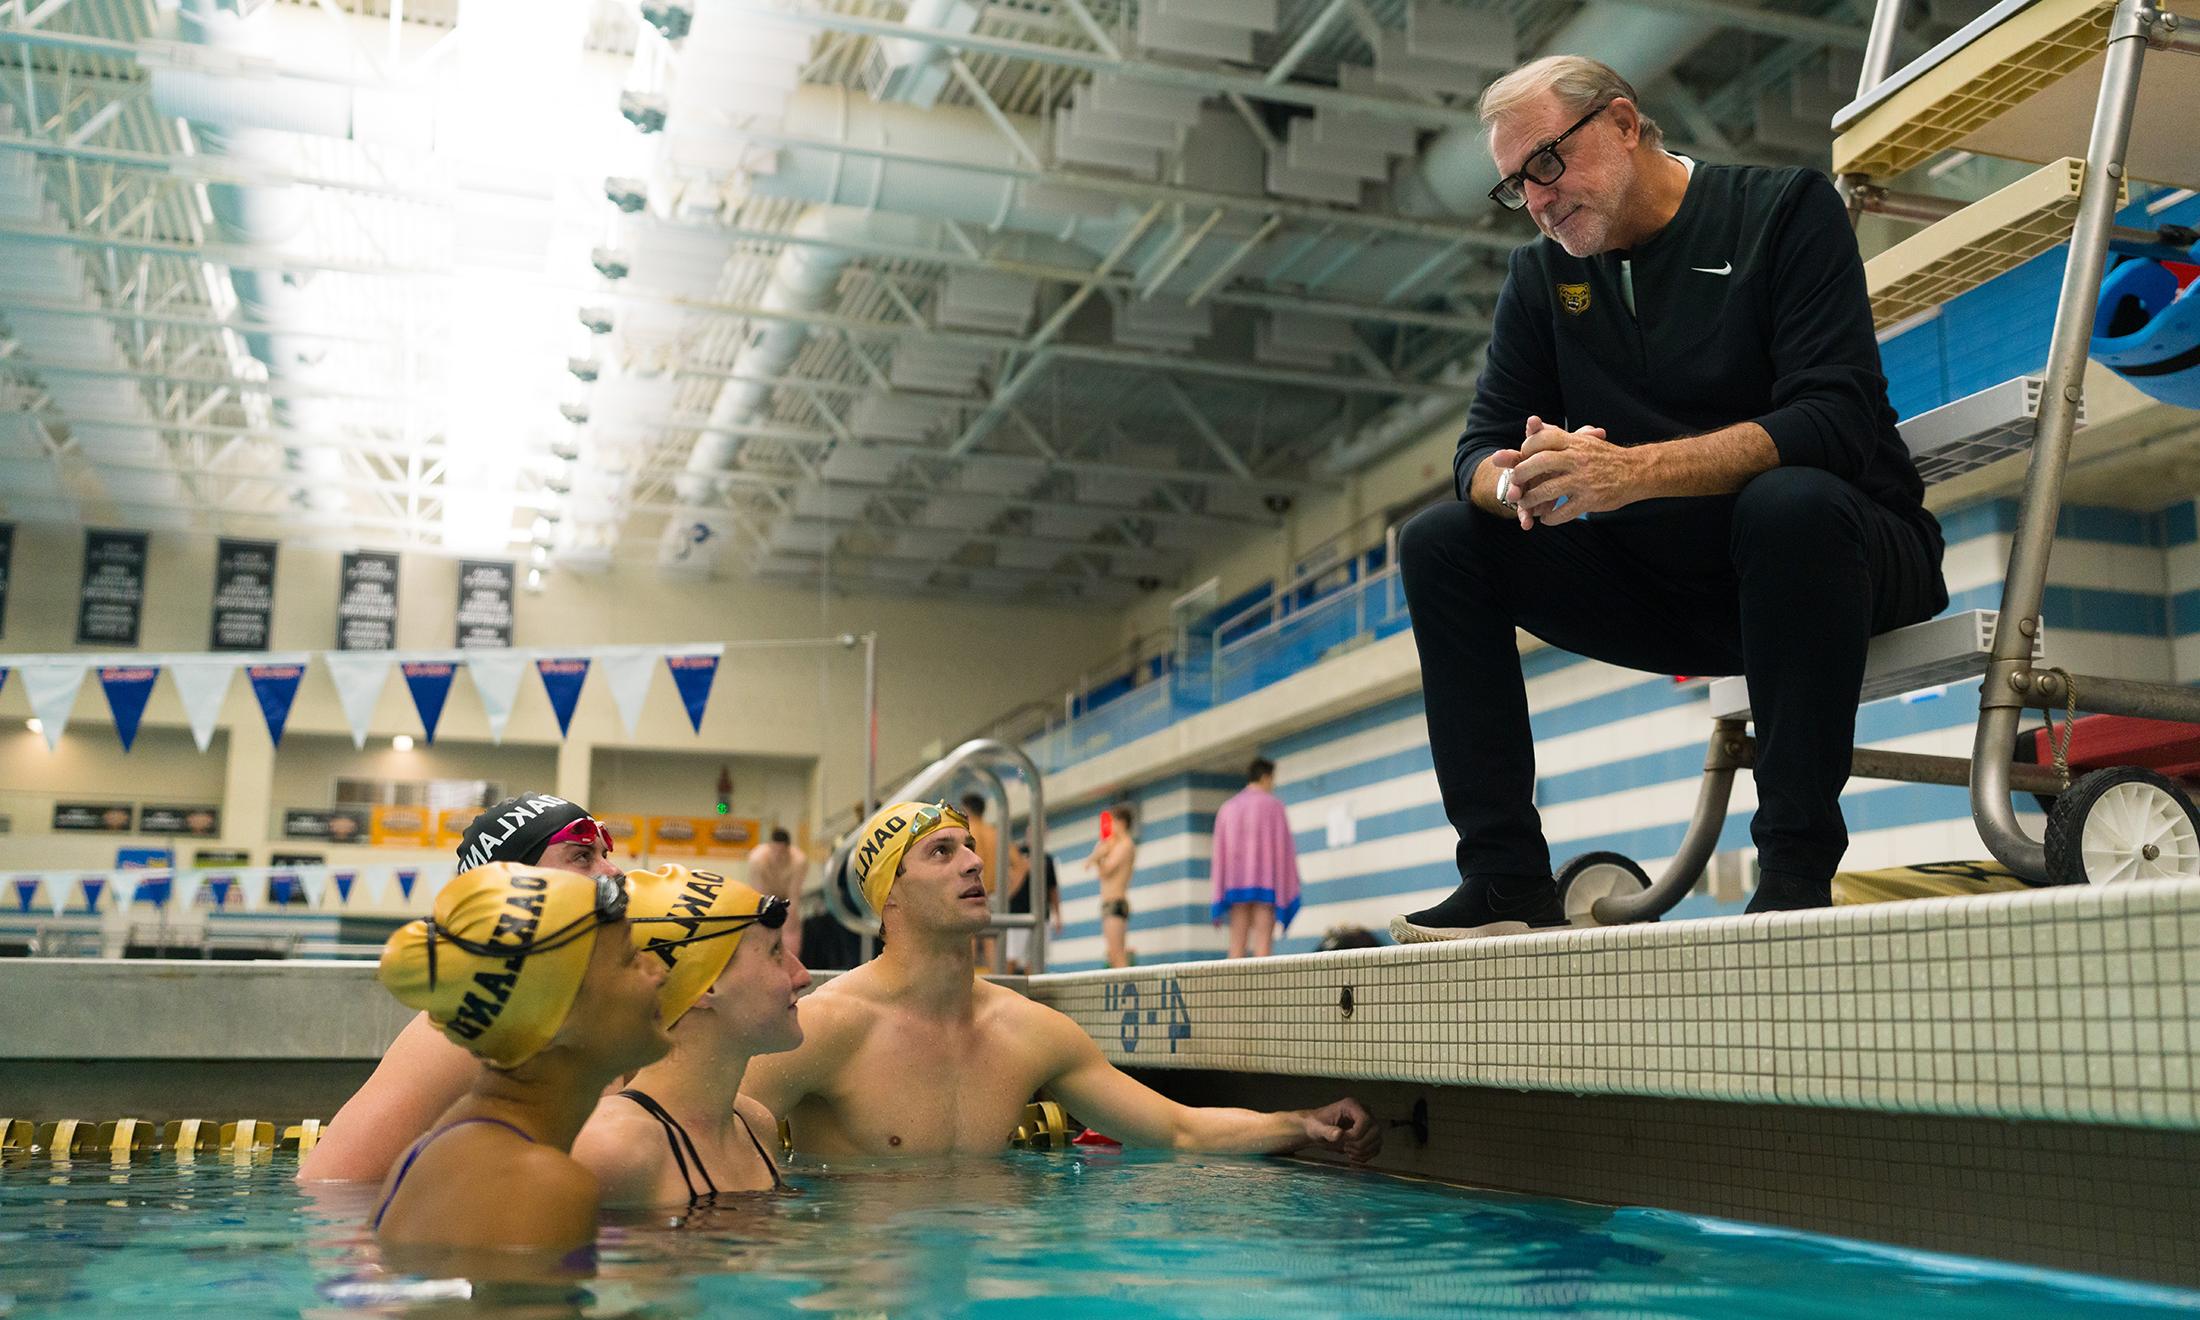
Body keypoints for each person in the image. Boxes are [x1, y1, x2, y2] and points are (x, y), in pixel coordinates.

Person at [1390, 56, 1946, 943]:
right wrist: (1519, 481)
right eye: (1514, 186)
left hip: (1842, 560)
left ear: (1620, 123)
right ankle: (1504, 882)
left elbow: (1834, 419)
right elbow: (1473, 455)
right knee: (1441, 541)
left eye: (1546, 163)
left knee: (1787, 503)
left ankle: (1796, 871)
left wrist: (1631, 474)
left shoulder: (1785, 212)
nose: (1537, 199)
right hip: (1671, 588)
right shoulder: (1541, 280)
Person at [743, 801, 1381, 1162]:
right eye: (940, 853)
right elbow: (693, 1131)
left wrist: (1303, 1124)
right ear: (891, 900)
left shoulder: (1028, 1030)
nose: (972, 862)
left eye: (968, 847)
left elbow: (1177, 1130)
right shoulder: (827, 1026)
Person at [300, 793, 623, 1183]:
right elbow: (330, 1183)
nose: (614, 870)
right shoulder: (469, 1020)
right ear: (517, 886)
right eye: (583, 857)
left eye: (605, 853)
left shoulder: (593, 1005)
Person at [368, 862, 670, 1250]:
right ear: (552, 1018)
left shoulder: (453, 1146)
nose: (658, 973)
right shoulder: (537, 1185)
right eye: (630, 959)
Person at [571, 866, 807, 1208]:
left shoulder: (755, 1126)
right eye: (774, 951)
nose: (800, 974)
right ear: (705, 985)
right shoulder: (613, 1149)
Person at [1209, 758, 1302, 959]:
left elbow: (1219, 853)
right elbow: (1283, 849)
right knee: (1263, 943)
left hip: (1236, 883)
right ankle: (1262, 990)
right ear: (1266, 777)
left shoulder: (1228, 808)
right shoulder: (1274, 807)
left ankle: (1233, 989)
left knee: (1236, 942)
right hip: (1265, 883)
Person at [1085, 803, 1137, 969]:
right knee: (1112, 955)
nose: (1110, 827)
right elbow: (1102, 873)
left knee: (1118, 955)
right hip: (1109, 903)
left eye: (1112, 822)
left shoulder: (1126, 845)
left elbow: (1106, 869)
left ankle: (1127, 992)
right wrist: (1098, 855)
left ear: (1121, 823)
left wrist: (1098, 857)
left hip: (1116, 903)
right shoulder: (1114, 845)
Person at [745, 827, 809, 961]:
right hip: (764, 896)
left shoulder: (799, 861)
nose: (778, 856)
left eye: (782, 852)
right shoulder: (757, 859)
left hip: (786, 897)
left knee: (791, 925)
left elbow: (794, 897)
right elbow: (759, 897)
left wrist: (790, 924)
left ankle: (790, 961)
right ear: (769, 847)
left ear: (788, 849)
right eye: (774, 851)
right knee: (760, 927)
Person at [1003, 841, 1062, 974]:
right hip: (1017, 914)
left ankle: (1031, 993)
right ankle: (1005, 988)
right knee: (1012, 956)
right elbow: (1008, 880)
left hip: (1041, 915)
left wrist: (1058, 915)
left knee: (1035, 959)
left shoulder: (1047, 860)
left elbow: (1053, 890)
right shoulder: (1017, 853)